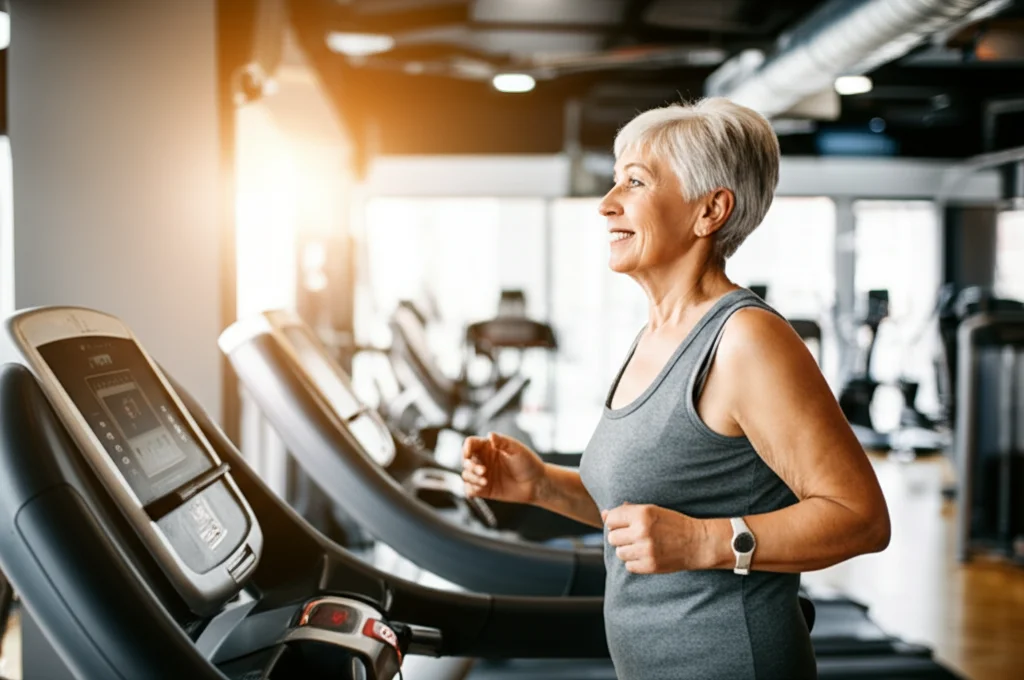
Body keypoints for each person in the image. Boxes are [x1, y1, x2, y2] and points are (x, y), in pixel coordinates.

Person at [461, 97, 891, 680]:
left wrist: (703, 543)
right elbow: (648, 510)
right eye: (615, 182)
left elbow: (861, 517)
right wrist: (541, 487)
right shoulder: (656, 333)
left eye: (634, 183)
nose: (607, 205)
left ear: (710, 210)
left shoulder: (746, 340)